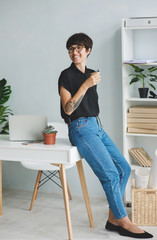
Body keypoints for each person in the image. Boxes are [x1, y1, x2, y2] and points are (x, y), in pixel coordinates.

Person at [58, 33, 153, 238]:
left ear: (88, 50)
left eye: (79, 48)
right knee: (110, 174)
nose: (74, 52)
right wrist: (85, 85)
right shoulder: (66, 75)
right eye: (71, 49)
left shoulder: (92, 73)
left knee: (124, 168)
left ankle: (112, 218)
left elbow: (90, 105)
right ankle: (124, 222)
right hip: (80, 127)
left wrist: (90, 82)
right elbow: (68, 109)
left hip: (96, 126)